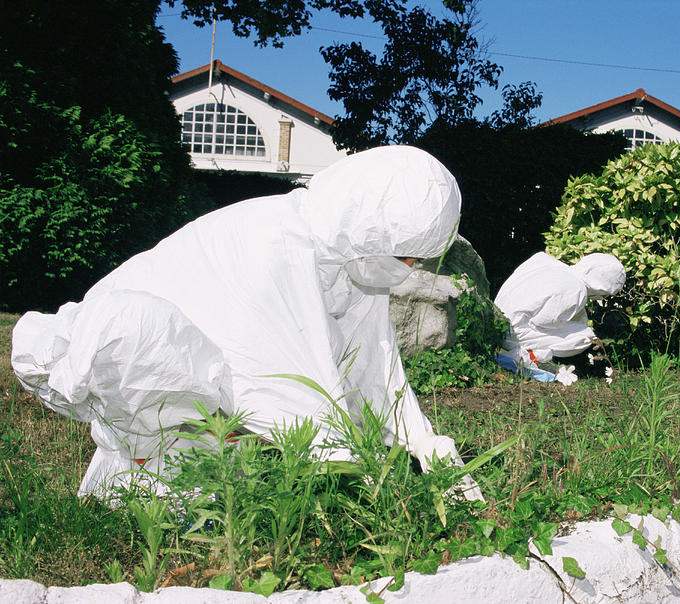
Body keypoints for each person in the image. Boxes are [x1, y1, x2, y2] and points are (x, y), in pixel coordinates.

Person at [12, 145, 483, 500]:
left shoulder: (347, 261)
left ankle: (198, 480)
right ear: (367, 225)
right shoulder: (278, 245)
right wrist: (360, 480)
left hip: (198, 368)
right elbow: (287, 378)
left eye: (417, 257)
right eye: (403, 253)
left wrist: (421, 439)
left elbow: (373, 364)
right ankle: (149, 483)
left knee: (228, 429)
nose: (409, 267)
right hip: (129, 350)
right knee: (174, 377)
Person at [493, 252, 625, 380]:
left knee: (579, 319)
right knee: (585, 337)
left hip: (497, 319)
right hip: (511, 332)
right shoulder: (576, 289)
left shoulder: (550, 263)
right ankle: (525, 357)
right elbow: (543, 321)